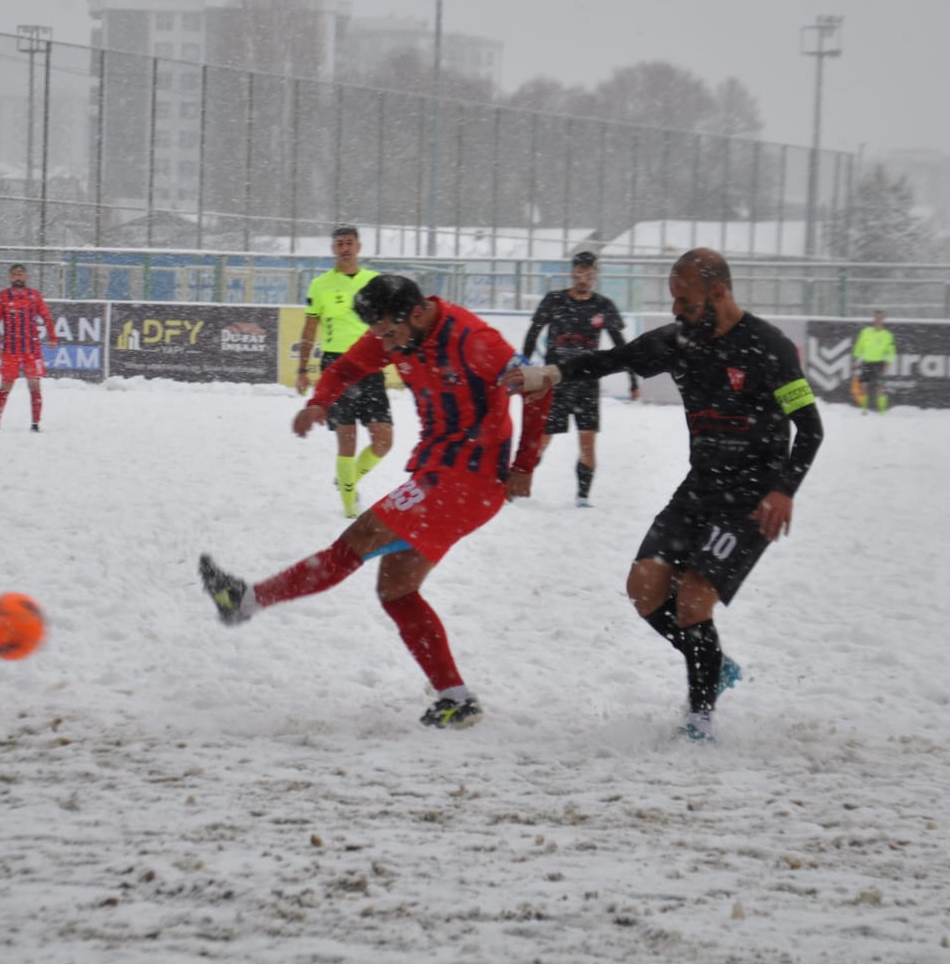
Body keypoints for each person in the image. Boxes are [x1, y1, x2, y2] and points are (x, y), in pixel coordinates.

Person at [200, 275, 551, 729]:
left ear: (418, 313)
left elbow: (540, 387)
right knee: (396, 591)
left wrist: (524, 465)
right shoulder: (396, 330)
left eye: (389, 333)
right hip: (439, 473)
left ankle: (245, 600)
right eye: (378, 334)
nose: (385, 345)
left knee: (360, 537)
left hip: (469, 480)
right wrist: (320, 403)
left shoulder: (473, 339)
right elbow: (345, 369)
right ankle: (456, 698)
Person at [507, 248, 825, 741]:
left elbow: (810, 428)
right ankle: (713, 663)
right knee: (644, 588)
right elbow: (610, 359)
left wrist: (785, 490)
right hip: (700, 487)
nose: (676, 311)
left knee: (693, 601)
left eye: (685, 302)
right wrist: (549, 374)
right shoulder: (679, 340)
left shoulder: (769, 347)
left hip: (751, 498)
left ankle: (699, 718)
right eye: (673, 300)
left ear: (719, 293)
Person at [521, 250, 640, 506]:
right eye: (578, 273)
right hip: (555, 382)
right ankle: (519, 485)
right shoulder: (554, 300)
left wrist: (633, 380)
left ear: (595, 276)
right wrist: (525, 366)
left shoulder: (603, 306)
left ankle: (582, 497)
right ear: (572, 273)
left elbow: (621, 346)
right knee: (541, 440)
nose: (582, 279)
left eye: (588, 274)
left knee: (587, 443)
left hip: (587, 384)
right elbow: (533, 333)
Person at [296, 224, 394, 517]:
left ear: (359, 246)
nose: (345, 248)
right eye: (339, 243)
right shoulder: (320, 285)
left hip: (370, 364)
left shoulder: (374, 282)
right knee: (347, 438)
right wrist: (302, 368)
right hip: (336, 367)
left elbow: (391, 322)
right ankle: (350, 508)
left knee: (384, 440)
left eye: (349, 242)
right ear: (333, 249)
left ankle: (348, 480)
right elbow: (310, 328)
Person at [0, 263, 58, 432]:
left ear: (26, 277)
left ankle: (35, 423)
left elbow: (47, 317)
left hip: (31, 349)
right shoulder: (3, 296)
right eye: (14, 274)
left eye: (20, 274)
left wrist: (52, 336)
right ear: (10, 277)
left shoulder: (34, 296)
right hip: (10, 349)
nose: (17, 277)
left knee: (34, 384)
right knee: (6, 385)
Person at [851, 310, 897, 414]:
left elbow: (891, 351)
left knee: (880, 388)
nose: (878, 320)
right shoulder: (865, 332)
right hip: (866, 362)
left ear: (883, 319)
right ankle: (864, 410)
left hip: (879, 363)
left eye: (880, 318)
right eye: (876, 317)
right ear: (874, 319)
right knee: (863, 386)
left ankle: (882, 412)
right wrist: (856, 359)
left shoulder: (887, 335)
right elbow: (859, 346)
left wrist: (888, 363)